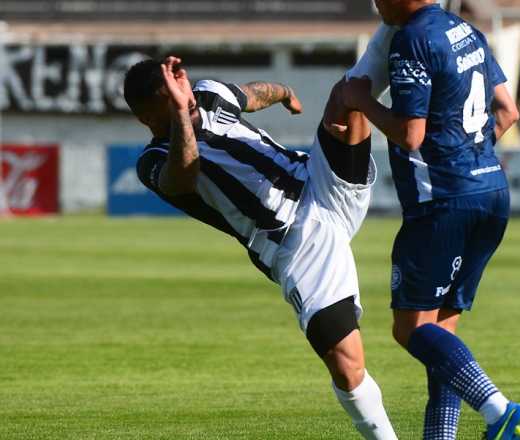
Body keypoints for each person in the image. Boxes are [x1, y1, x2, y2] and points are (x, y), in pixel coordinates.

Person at [124, 56, 397, 440]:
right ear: (147, 118)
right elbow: (184, 174)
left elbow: (251, 95)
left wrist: (285, 93)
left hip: (319, 182)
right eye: (169, 99)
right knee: (347, 368)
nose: (183, 96)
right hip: (296, 243)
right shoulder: (152, 162)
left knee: (349, 94)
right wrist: (181, 115)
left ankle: (401, 30)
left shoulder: (210, 94)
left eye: (181, 84)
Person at [337, 1, 520, 439]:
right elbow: (508, 111)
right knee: (440, 339)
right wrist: (468, 159)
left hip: (441, 203)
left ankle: (499, 410)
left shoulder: (412, 38)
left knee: (410, 329)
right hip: (490, 193)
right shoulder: (465, 30)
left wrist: (360, 100)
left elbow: (411, 134)